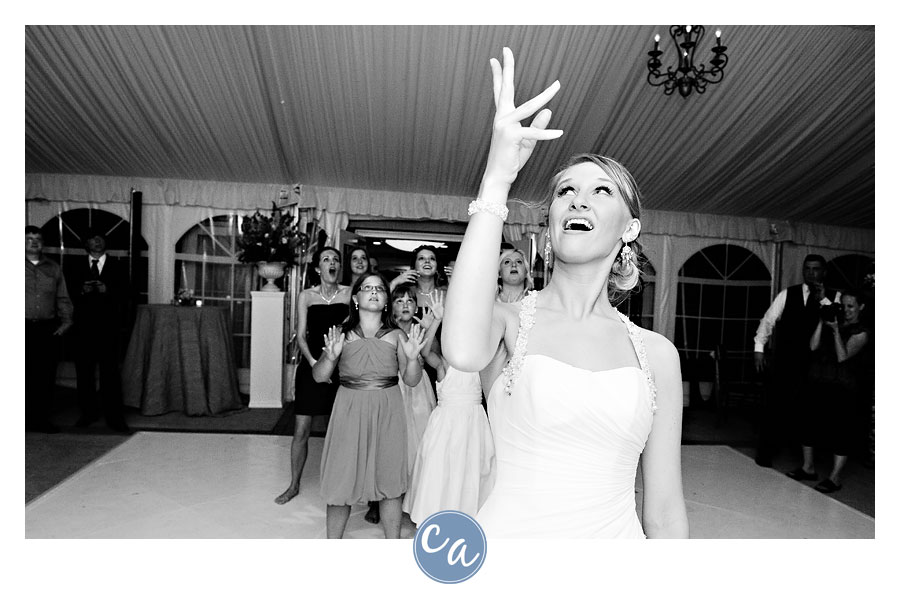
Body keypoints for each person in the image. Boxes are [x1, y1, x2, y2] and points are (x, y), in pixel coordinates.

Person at [443, 48, 688, 538]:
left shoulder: (657, 354)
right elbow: (462, 350)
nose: (578, 198)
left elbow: (663, 507)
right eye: (564, 191)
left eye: (602, 191)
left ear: (630, 227)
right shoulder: (508, 322)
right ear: (551, 227)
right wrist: (497, 179)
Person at [314, 273, 426, 539]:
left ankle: (392, 542)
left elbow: (411, 381)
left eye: (379, 288)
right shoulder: (341, 334)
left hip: (387, 409)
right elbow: (319, 376)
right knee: (341, 477)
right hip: (349, 408)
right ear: (356, 298)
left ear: (386, 300)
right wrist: (330, 358)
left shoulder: (397, 335)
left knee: (389, 478)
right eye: (367, 288)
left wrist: (412, 360)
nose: (374, 292)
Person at [402, 295, 496, 524]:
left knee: (472, 468)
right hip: (446, 423)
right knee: (441, 467)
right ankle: (434, 512)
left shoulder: (480, 363)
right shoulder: (444, 364)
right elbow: (424, 353)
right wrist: (436, 320)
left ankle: (471, 513)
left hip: (474, 423)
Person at [274, 247, 351, 505]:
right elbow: (301, 334)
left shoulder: (349, 293)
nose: (332, 263)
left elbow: (354, 326)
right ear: (318, 268)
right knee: (301, 429)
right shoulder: (306, 295)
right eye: (326, 259)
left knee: (338, 429)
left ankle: (339, 485)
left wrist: (334, 363)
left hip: (340, 367)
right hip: (311, 364)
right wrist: (314, 362)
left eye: (336, 259)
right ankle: (294, 484)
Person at [752, 254, 839, 467]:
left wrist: (823, 300)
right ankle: (765, 455)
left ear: (824, 271)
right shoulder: (787, 294)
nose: (811, 273)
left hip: (819, 363)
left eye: (816, 269)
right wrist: (759, 348)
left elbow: (836, 321)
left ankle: (807, 462)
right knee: (774, 406)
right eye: (807, 268)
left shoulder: (834, 297)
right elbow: (768, 320)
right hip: (787, 359)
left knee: (810, 411)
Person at [787, 289, 871, 493]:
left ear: (861, 307)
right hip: (819, 380)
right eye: (844, 306)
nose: (847, 310)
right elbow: (813, 346)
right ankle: (808, 468)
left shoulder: (861, 332)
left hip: (843, 386)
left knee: (840, 432)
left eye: (851, 306)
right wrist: (822, 321)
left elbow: (843, 356)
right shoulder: (834, 321)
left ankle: (835, 477)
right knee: (808, 424)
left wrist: (834, 331)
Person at [68, 231, 130, 433]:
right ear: (86, 243)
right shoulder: (74, 266)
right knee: (84, 373)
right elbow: (65, 293)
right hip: (82, 328)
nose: (96, 241)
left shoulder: (119, 266)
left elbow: (128, 295)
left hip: (108, 329)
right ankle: (88, 413)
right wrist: (81, 290)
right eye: (92, 238)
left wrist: (108, 290)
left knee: (110, 374)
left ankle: (114, 417)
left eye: (100, 237)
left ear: (105, 242)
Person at [25, 225, 73, 433]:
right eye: (28, 238)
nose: (33, 242)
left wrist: (66, 321)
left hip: (46, 328)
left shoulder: (53, 268)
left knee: (44, 376)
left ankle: (41, 419)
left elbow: (62, 297)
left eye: (37, 239)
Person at [390, 284, 437, 477]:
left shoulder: (421, 328)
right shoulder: (387, 330)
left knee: (421, 434)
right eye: (399, 301)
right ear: (391, 306)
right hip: (393, 385)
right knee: (394, 436)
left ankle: (417, 488)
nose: (405, 305)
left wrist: (428, 330)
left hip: (419, 386)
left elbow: (435, 355)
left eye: (410, 300)